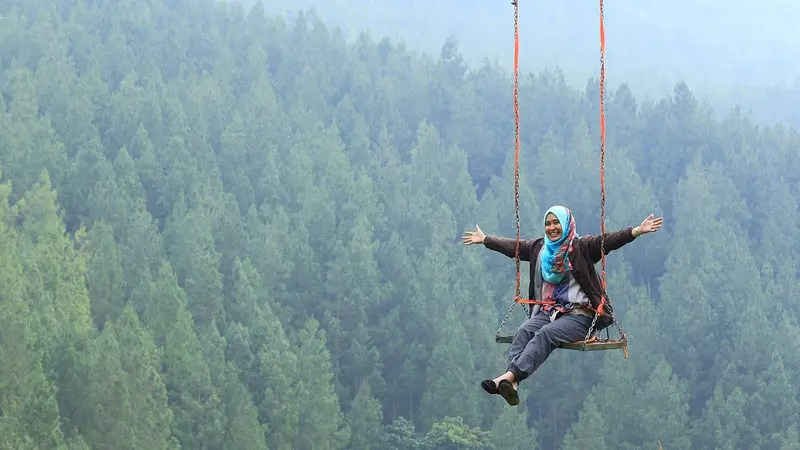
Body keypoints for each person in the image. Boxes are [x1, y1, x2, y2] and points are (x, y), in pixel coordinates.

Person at [461, 205, 663, 406]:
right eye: (548, 224)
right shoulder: (540, 249)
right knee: (523, 331)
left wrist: (636, 231)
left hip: (581, 315)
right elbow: (514, 247)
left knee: (546, 335)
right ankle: (512, 383)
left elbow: (608, 241)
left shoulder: (582, 247)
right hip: (552, 311)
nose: (552, 227)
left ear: (566, 224)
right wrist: (486, 240)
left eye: (556, 222)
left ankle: (507, 378)